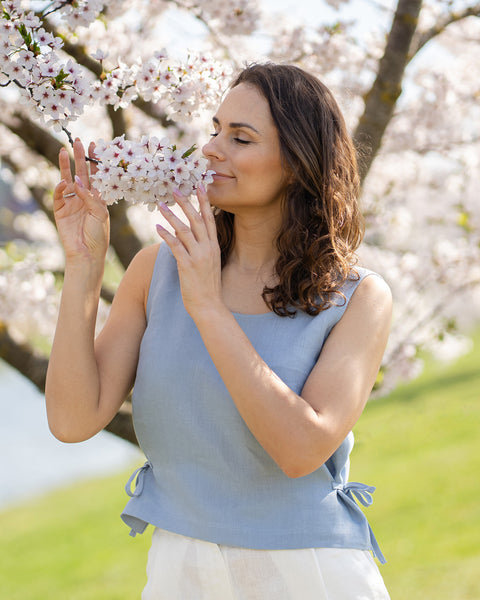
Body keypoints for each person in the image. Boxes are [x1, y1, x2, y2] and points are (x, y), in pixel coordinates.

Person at [46, 62, 392, 599]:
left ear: (298, 163)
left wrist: (208, 306)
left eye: (241, 137)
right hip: (179, 571)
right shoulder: (153, 272)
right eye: (214, 129)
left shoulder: (357, 298)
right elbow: (72, 420)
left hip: (310, 573)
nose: (211, 149)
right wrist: (84, 266)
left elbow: (301, 450)